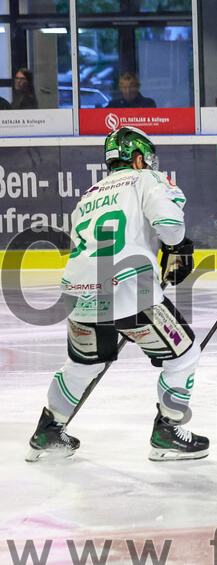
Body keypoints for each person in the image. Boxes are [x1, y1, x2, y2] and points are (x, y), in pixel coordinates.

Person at [26, 126, 206, 462]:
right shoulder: (146, 179)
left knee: (81, 365)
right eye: (146, 159)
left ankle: (48, 429)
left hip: (79, 293)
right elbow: (169, 223)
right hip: (129, 290)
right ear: (137, 158)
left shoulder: (89, 195)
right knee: (185, 354)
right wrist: (179, 246)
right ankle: (168, 430)